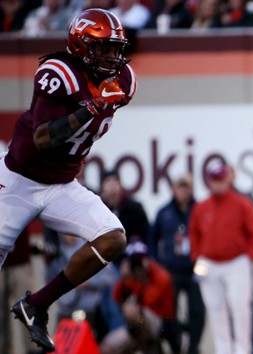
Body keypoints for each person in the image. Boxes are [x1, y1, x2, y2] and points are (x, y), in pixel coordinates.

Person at [0, 8, 136, 352]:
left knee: (112, 239)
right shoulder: (59, 72)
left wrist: (98, 103)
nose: (111, 56)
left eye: (114, 48)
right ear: (81, 45)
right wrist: (92, 107)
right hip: (18, 182)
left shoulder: (124, 80)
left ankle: (36, 305)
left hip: (61, 185)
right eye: (102, 48)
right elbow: (44, 139)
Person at [189, 159, 253, 354]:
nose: (218, 183)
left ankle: (243, 350)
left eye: (221, 179)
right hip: (209, 263)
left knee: (240, 309)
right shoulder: (201, 207)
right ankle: (223, 350)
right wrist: (198, 258)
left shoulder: (242, 204)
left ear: (228, 179)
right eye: (214, 179)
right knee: (215, 310)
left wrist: (248, 258)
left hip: (236, 262)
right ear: (209, 181)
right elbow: (194, 235)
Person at [149, 173, 205, 354]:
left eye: (187, 187)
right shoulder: (164, 212)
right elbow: (152, 239)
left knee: (198, 311)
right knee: (168, 311)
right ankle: (175, 346)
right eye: (180, 187)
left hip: (194, 269)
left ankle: (193, 347)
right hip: (170, 269)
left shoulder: (199, 210)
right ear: (174, 189)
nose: (183, 191)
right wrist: (157, 264)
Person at [99, 239, 181, 354]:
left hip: (161, 323)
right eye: (133, 262)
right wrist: (123, 279)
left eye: (139, 261)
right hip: (137, 327)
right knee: (107, 346)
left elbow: (149, 301)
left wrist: (142, 278)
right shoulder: (131, 276)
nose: (137, 266)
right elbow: (117, 298)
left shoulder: (161, 276)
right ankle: (145, 346)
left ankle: (149, 348)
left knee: (131, 311)